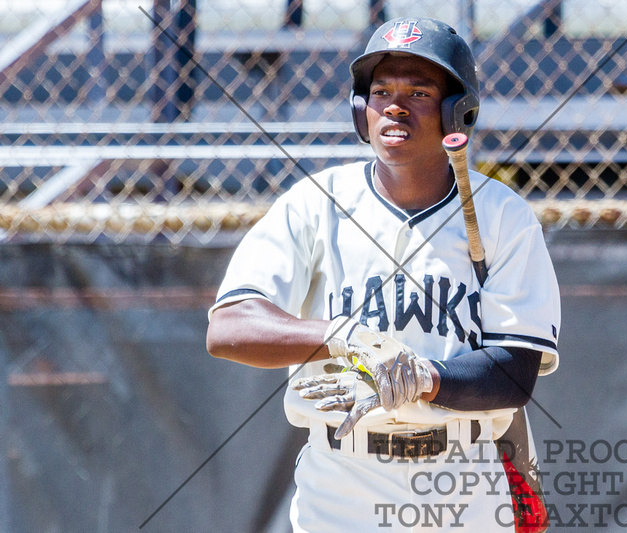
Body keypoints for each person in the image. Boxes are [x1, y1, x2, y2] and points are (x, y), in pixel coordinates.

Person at [206, 16, 560, 532]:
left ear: (456, 112)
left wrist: (425, 377)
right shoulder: (315, 203)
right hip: (340, 482)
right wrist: (339, 336)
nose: (394, 105)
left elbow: (514, 373)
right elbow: (230, 327)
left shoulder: (502, 216)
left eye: (418, 91)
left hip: (460, 485)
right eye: (380, 91)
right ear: (360, 110)